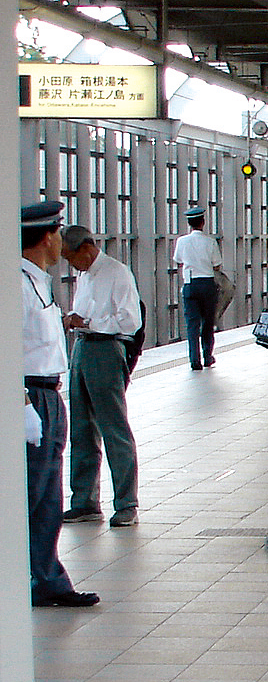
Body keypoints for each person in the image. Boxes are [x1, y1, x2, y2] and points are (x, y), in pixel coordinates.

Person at [20, 200, 97, 608]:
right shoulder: (15, 283)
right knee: (30, 496)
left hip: (48, 394)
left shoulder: (38, 280)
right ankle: (29, 579)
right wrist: (20, 404)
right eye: (57, 234)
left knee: (48, 497)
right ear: (46, 237)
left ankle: (48, 580)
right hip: (30, 397)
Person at [57, 225, 142, 529]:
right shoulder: (84, 274)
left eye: (71, 257)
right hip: (82, 348)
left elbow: (130, 320)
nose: (70, 264)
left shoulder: (117, 273)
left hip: (106, 349)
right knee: (80, 428)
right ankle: (84, 501)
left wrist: (90, 322)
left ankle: (126, 503)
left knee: (113, 426)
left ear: (87, 248)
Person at [172, 206, 225, 370]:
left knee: (192, 324)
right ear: (203, 222)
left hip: (190, 285)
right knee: (208, 322)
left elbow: (178, 260)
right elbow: (217, 265)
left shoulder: (182, 241)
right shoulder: (210, 242)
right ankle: (208, 356)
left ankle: (194, 361)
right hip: (207, 284)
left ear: (189, 224)